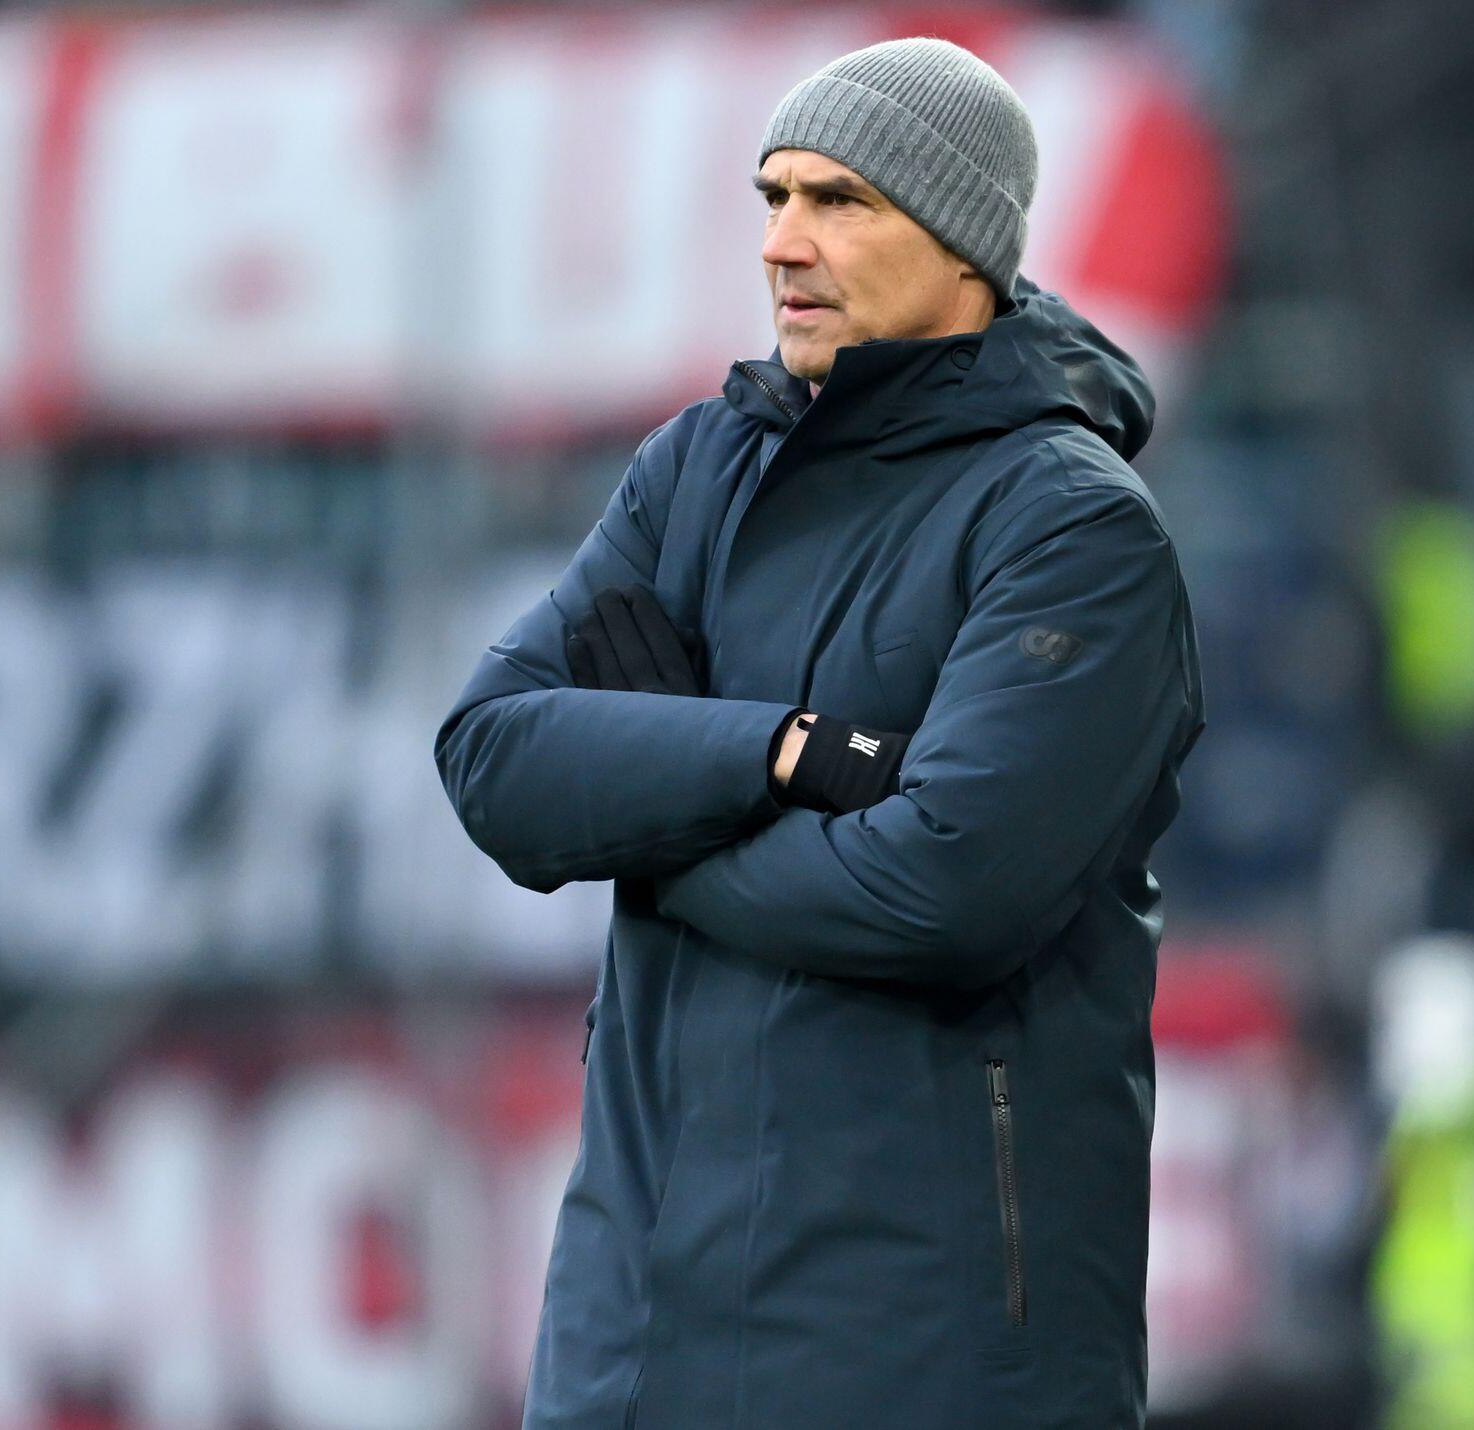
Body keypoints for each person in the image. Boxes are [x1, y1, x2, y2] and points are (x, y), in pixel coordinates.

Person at [434, 33, 1206, 1430]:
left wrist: (653, 824)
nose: (783, 242)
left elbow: (941, 890)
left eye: (840, 201)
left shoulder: (1074, 527)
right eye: (774, 196)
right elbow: (491, 756)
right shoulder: (695, 468)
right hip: (631, 1355)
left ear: (965, 243)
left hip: (928, 1365)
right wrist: (777, 753)